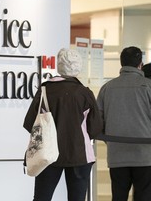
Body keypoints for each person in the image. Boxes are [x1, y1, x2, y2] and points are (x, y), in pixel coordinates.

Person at [23, 48, 103, 201]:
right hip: (80, 155)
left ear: (59, 66)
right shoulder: (84, 93)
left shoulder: (45, 90)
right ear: (78, 66)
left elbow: (30, 124)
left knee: (42, 198)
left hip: (47, 154)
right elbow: (95, 128)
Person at [97, 46, 151, 201]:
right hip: (145, 155)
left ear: (121, 64)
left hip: (116, 155)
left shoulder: (107, 88)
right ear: (140, 64)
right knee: (144, 196)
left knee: (118, 196)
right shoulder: (148, 86)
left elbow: (98, 122)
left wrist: (110, 141)